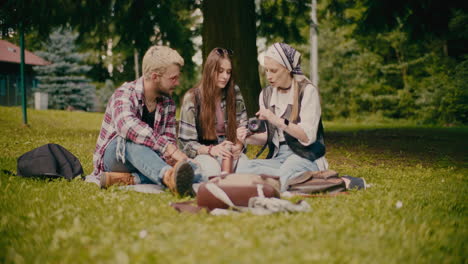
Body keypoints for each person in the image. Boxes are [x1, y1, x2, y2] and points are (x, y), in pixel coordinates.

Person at [92, 45, 200, 196]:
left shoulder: (168, 103)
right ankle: (168, 177)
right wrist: (169, 149)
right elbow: (127, 127)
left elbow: (169, 139)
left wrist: (171, 157)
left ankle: (130, 179)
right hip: (116, 158)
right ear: (155, 77)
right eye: (173, 78)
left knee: (194, 170)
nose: (178, 83)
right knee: (131, 139)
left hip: (148, 161)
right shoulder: (124, 94)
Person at [236, 43, 329, 192]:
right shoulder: (265, 95)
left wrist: (276, 120)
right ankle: (290, 180)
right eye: (266, 70)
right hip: (279, 157)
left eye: (273, 70)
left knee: (287, 170)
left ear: (288, 69)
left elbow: (307, 137)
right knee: (242, 167)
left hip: (305, 155)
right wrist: (248, 137)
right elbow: (270, 137)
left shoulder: (307, 91)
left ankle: (271, 186)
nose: (269, 76)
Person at [178, 48, 248, 179]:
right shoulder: (192, 98)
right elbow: (186, 144)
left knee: (245, 169)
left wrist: (239, 145)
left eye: (228, 72)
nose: (225, 76)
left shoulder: (234, 92)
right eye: (220, 71)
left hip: (229, 149)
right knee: (212, 172)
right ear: (210, 70)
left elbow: (244, 125)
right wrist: (211, 150)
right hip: (204, 151)